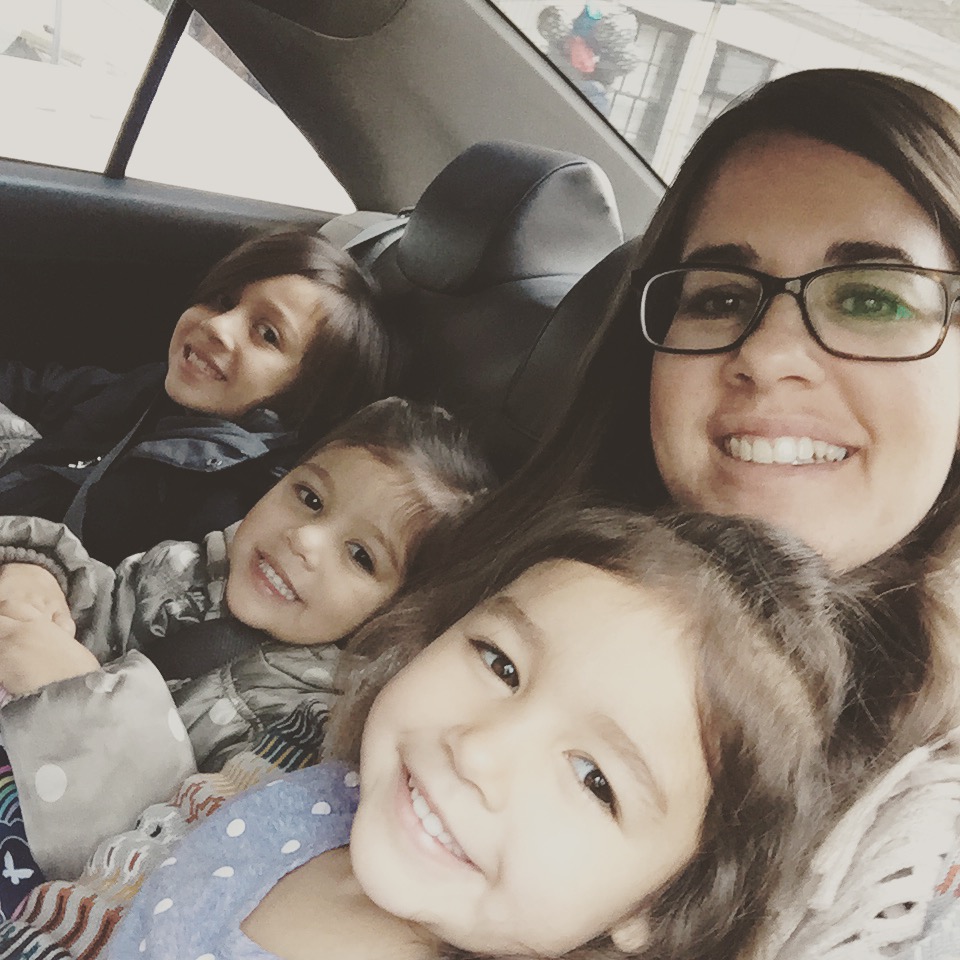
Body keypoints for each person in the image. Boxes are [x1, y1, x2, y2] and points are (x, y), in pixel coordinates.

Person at [45, 502, 851, 960]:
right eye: (500, 663)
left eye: (594, 779)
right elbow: (146, 875)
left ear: (660, 904)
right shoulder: (321, 799)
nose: (479, 749)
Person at [0, 397, 493, 906]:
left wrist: (82, 701)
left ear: (399, 614)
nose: (304, 538)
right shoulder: (185, 569)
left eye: (360, 556)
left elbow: (173, 850)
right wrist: (39, 572)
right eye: (310, 497)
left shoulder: (308, 724)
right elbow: (97, 604)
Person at [0, 228, 390, 566]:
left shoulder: (223, 511)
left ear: (308, 394)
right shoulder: (153, 391)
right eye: (224, 301)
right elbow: (43, 388)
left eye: (267, 334)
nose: (219, 325)